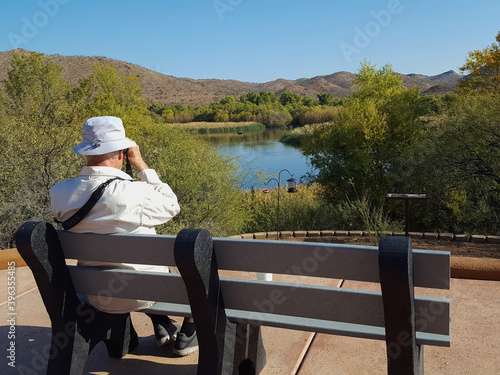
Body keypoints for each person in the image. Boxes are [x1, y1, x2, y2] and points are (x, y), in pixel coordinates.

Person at [50, 116, 198, 356]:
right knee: (183, 275)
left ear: (86, 152)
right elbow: (172, 206)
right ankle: (187, 335)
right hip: (145, 294)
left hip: (97, 295)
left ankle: (160, 325)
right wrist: (141, 165)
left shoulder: (58, 192)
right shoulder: (133, 192)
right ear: (122, 153)